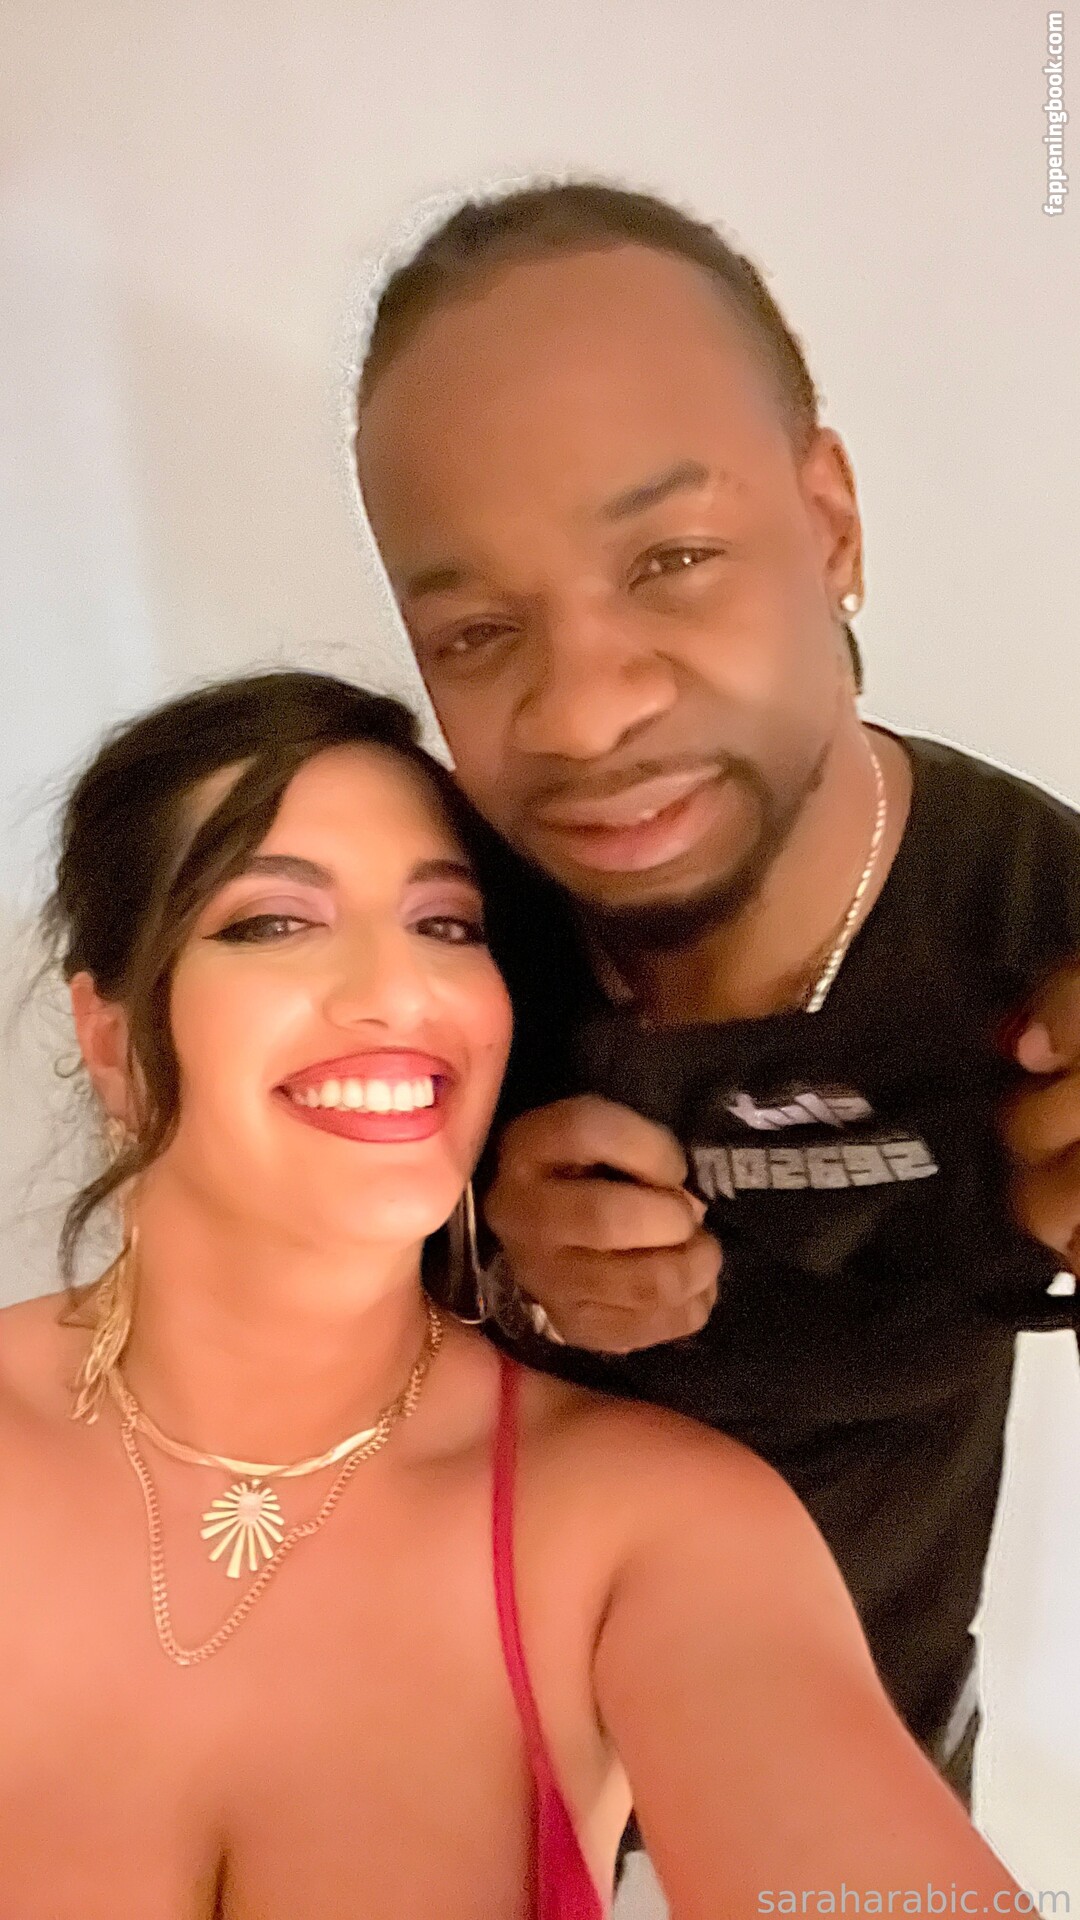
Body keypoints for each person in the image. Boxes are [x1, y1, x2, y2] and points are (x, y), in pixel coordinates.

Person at [0, 667, 1021, 1917]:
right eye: (272, 922)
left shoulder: (649, 1528)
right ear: (109, 1039)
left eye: (446, 926)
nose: (400, 991)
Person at [353, 179, 1080, 1812]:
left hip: (863, 1787)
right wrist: (495, 1284)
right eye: (476, 631)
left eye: (671, 559)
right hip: (470, 1788)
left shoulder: (1043, 923)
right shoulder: (417, 930)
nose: (585, 712)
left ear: (830, 522)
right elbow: (250, 1401)